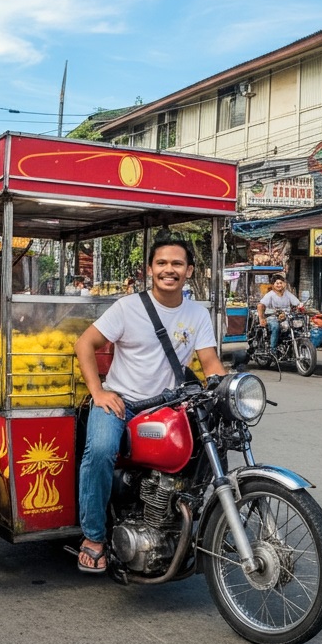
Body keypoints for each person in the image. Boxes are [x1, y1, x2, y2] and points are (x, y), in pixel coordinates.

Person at [73, 237, 226, 574]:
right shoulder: (129, 307)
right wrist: (98, 391)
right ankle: (94, 538)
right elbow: (85, 343)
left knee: (212, 444)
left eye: (176, 264)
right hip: (121, 403)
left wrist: (227, 391)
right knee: (99, 451)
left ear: (189, 271)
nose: (168, 270)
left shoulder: (197, 314)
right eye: (161, 263)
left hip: (170, 406)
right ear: (150, 270)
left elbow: (210, 362)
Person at [257, 275, 301, 352]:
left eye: (281, 283)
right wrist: (261, 318)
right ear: (273, 285)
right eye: (277, 283)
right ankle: (273, 349)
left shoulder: (287, 293)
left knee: (297, 326)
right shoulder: (270, 294)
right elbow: (260, 305)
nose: (279, 285)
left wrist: (300, 306)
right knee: (276, 326)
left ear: (284, 284)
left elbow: (297, 303)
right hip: (271, 317)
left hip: (286, 316)